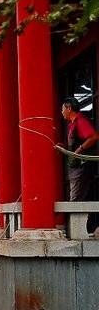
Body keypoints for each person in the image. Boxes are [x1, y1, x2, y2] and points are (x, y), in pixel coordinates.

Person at [61, 97, 99, 235]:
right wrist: (64, 148)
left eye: (63, 109)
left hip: (82, 166)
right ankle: (85, 229)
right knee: (79, 195)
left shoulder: (81, 121)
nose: (62, 112)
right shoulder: (71, 124)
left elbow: (94, 137)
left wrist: (79, 150)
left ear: (69, 108)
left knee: (76, 197)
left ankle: (76, 233)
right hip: (75, 167)